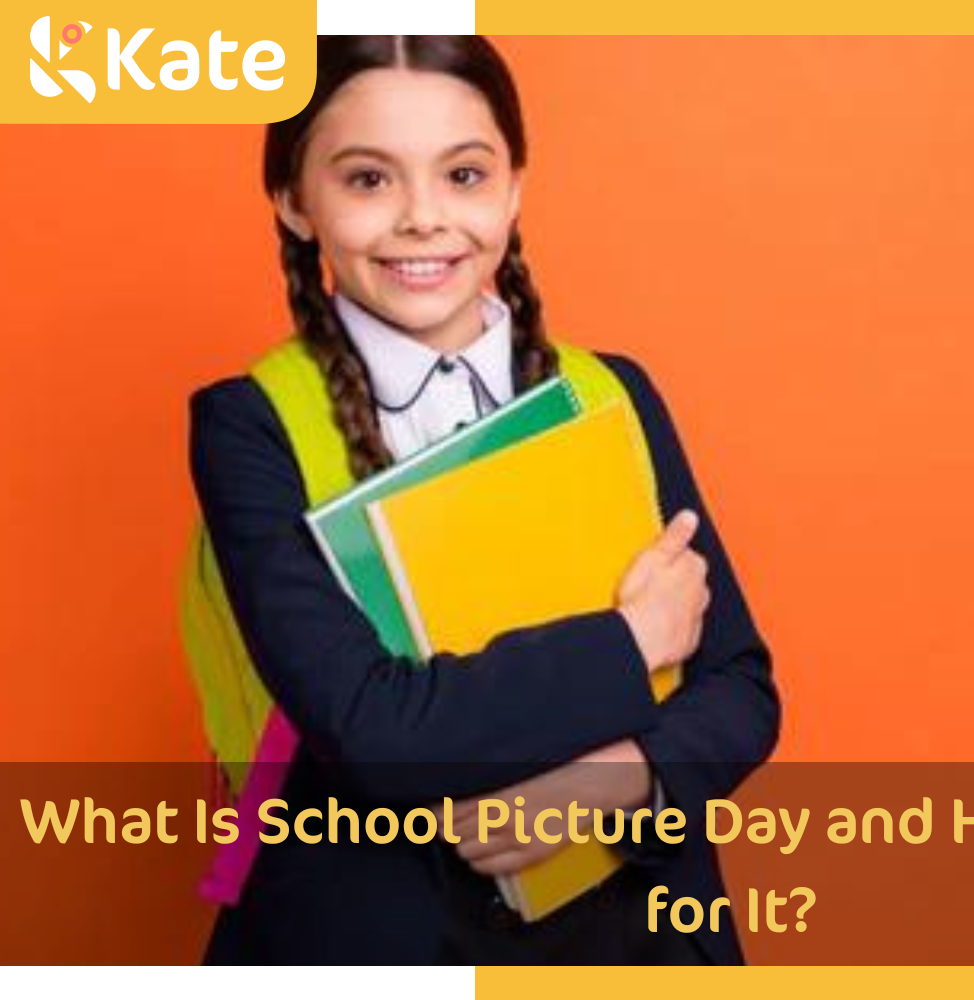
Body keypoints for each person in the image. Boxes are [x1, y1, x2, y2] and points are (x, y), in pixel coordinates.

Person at [186, 34, 779, 965]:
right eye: (369, 180)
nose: (425, 218)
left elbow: (741, 690)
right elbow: (375, 733)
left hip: (629, 926)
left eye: (464, 175)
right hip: (374, 933)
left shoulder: (610, 391)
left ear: (514, 187)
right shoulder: (249, 426)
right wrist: (631, 642)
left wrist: (618, 780)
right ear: (295, 202)